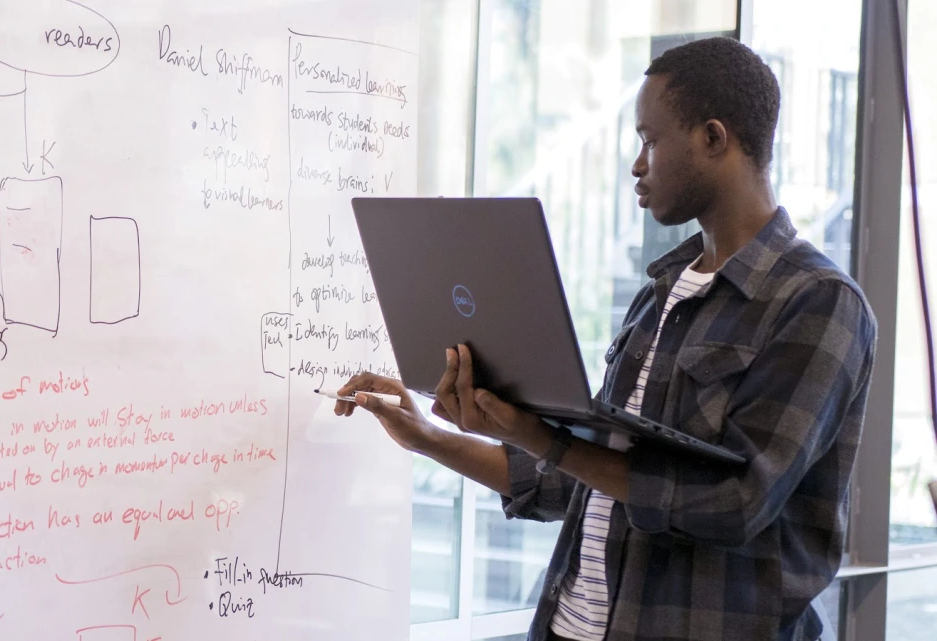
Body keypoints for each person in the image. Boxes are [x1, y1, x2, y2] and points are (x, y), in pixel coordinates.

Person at [334, 37, 876, 641]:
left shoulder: (819, 303)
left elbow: (736, 504)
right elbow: (581, 478)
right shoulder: (659, 293)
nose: (637, 164)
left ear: (714, 138)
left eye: (650, 139)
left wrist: (539, 435)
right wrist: (431, 437)